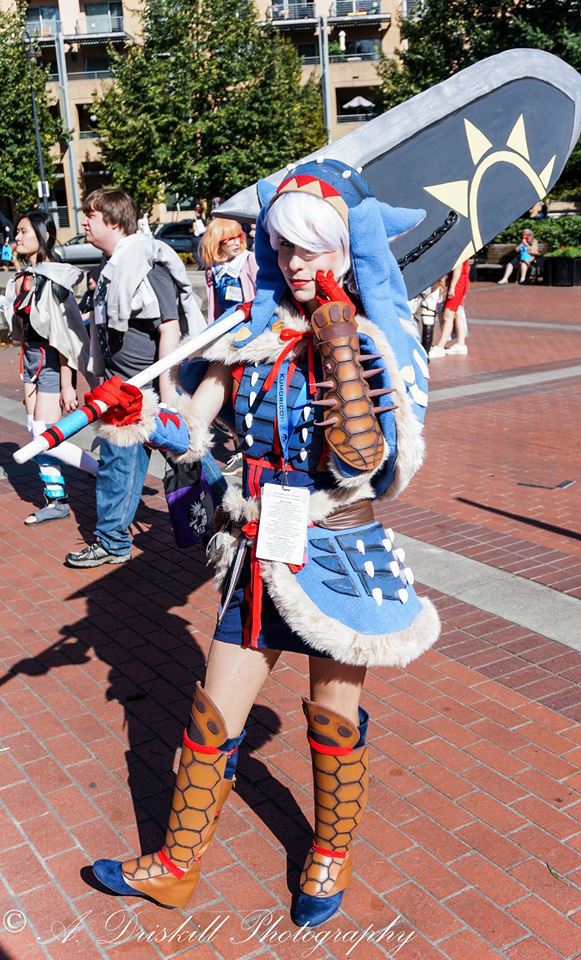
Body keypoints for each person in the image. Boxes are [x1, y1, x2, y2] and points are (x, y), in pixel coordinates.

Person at [88, 159, 439, 925]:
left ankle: (329, 855)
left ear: (346, 248)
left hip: (339, 555)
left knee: (332, 717)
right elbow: (193, 428)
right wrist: (138, 415)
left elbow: (367, 463)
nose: (296, 261)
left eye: (313, 245)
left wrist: (339, 340)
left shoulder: (372, 340)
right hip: (258, 550)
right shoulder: (251, 335)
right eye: (284, 245)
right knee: (213, 715)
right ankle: (176, 868)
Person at [64, 187, 208, 568]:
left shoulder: (147, 261)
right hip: (124, 388)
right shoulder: (114, 264)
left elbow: (169, 326)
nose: (83, 223)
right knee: (125, 466)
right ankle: (115, 538)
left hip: (140, 392)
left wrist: (166, 392)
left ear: (113, 220)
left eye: (91, 216)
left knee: (177, 460)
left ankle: (115, 540)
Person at [5, 211, 93, 523]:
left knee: (45, 434)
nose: (17, 237)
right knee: (35, 432)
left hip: (51, 363)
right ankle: (56, 499)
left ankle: (105, 471)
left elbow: (66, 335)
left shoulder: (55, 278)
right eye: (17, 231)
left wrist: (68, 384)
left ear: (42, 235)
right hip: (30, 361)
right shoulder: (23, 277)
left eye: (23, 231)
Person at [201, 218, 258, 322]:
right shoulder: (213, 268)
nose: (237, 243)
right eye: (230, 239)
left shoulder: (248, 260)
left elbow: (263, 295)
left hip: (247, 323)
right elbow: (213, 308)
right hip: (224, 324)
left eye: (238, 237)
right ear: (216, 241)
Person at [428, 259, 470, 357]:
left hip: (458, 283)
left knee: (448, 316)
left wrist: (452, 287)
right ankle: (461, 344)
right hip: (461, 281)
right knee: (457, 312)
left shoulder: (458, 251)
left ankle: (440, 347)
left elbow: (458, 267)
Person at [191, 203, 206, 270]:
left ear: (196, 212)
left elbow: (194, 229)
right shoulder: (203, 219)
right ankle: (205, 265)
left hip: (196, 238)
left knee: (195, 252)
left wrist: (191, 230)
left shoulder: (195, 219)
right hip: (202, 237)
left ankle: (201, 265)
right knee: (202, 252)